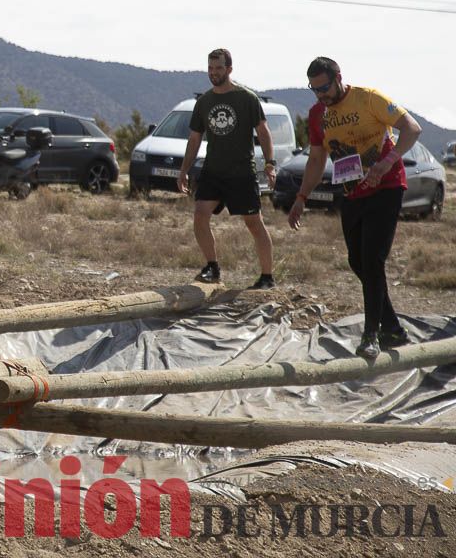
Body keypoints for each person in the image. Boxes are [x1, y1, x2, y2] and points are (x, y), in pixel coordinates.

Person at [288, 56, 422, 359]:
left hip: (386, 187)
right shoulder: (317, 114)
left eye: (325, 88)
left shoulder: (369, 98)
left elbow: (412, 129)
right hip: (351, 191)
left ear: (338, 77)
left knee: (372, 260)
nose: (322, 96)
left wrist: (388, 161)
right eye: (315, 90)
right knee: (357, 262)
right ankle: (392, 328)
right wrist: (301, 197)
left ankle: (371, 334)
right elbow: (317, 159)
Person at [177, 48, 277, 290]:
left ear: (229, 69)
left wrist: (270, 164)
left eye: (218, 68)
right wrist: (184, 170)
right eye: (210, 69)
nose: (213, 73)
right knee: (200, 214)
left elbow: (263, 132)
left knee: (254, 222)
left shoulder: (247, 98)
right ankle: (212, 267)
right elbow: (194, 138)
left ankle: (267, 277)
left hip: (241, 172)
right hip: (213, 170)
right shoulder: (204, 102)